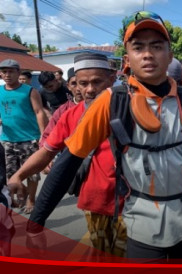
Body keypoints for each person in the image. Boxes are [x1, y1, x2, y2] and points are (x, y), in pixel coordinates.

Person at [18, 11, 182, 262]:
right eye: (139, 47)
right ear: (127, 59)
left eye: (157, 46)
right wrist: (36, 222)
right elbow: (69, 161)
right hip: (143, 226)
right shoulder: (112, 102)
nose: (148, 54)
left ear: (169, 56)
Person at [8, 53, 127, 256]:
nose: (90, 89)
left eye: (97, 82)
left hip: (132, 206)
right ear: (75, 85)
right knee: (103, 255)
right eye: (83, 83)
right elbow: (47, 152)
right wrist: (19, 175)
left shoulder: (131, 107)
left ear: (112, 77)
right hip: (95, 204)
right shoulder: (70, 115)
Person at [0, 59, 47, 214]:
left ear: (18, 73)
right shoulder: (0, 91)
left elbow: (39, 112)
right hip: (7, 140)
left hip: (29, 138)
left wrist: (43, 136)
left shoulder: (29, 91)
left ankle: (31, 199)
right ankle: (13, 198)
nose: (7, 75)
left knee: (32, 174)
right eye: (4, 71)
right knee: (10, 175)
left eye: (11, 71)